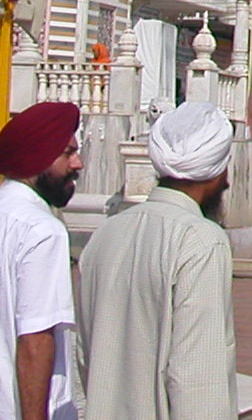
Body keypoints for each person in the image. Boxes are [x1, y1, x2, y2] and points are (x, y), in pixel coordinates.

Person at [80, 101, 238, 419]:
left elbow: (85, 357)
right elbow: (197, 380)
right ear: (217, 171)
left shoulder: (106, 234)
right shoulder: (201, 241)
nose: (227, 181)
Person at [0, 101, 83, 420]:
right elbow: (35, 340)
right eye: (67, 153)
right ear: (37, 158)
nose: (78, 163)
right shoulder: (43, 232)